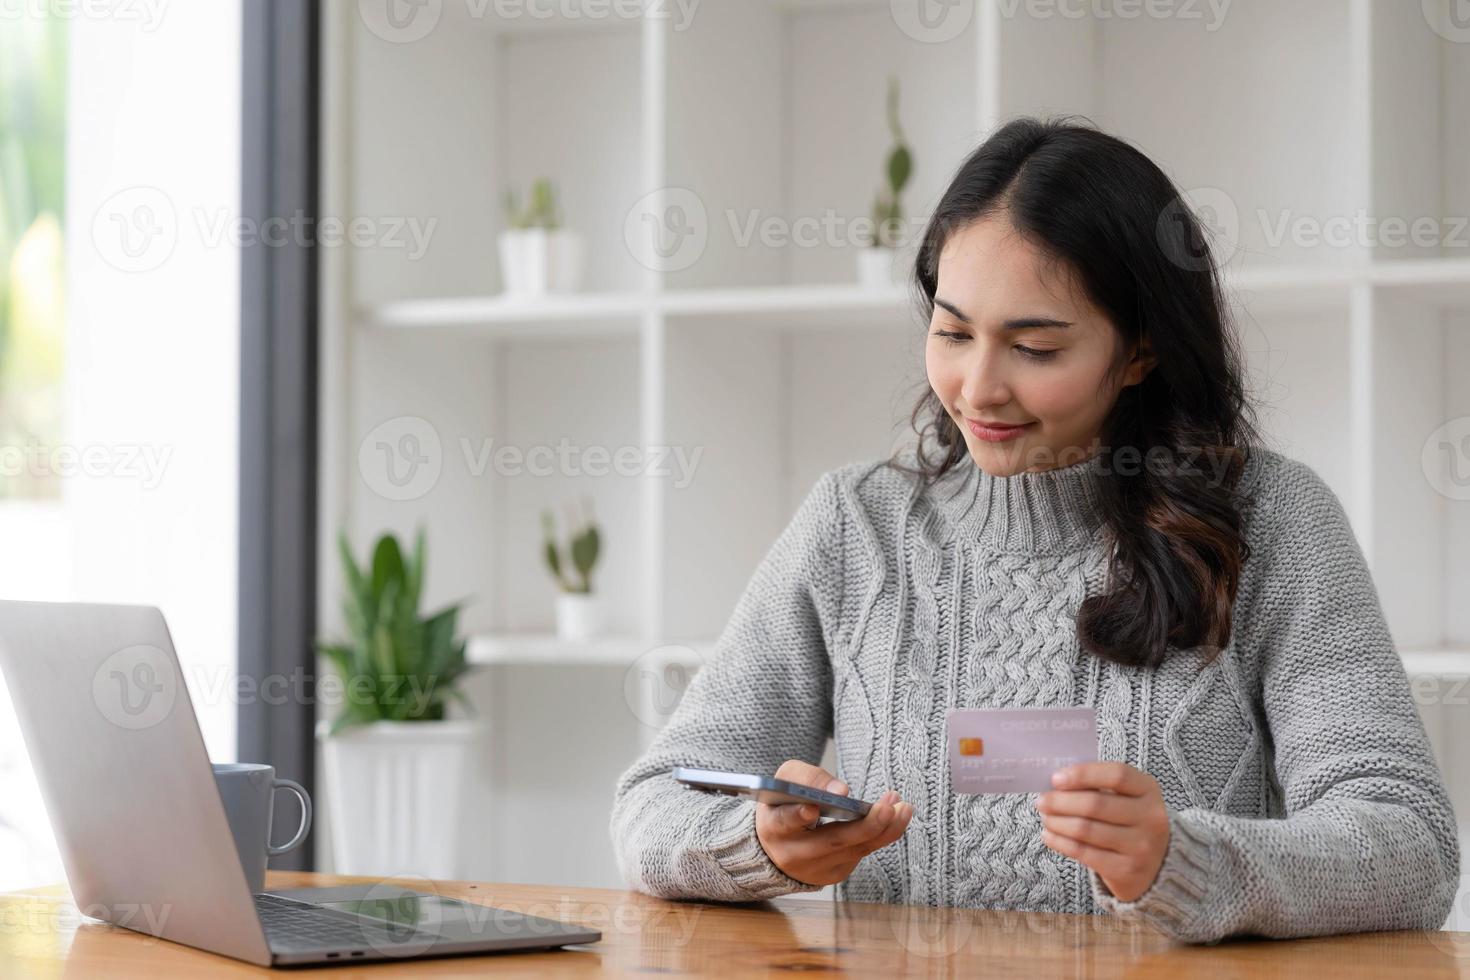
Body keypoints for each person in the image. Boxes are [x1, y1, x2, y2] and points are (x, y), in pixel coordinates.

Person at [608, 116, 1460, 943]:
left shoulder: (1272, 521)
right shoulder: (854, 527)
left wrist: (1189, 862)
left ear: (1139, 351)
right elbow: (653, 805)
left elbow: (1411, 846)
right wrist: (758, 847)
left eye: (1036, 348)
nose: (978, 388)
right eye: (951, 332)